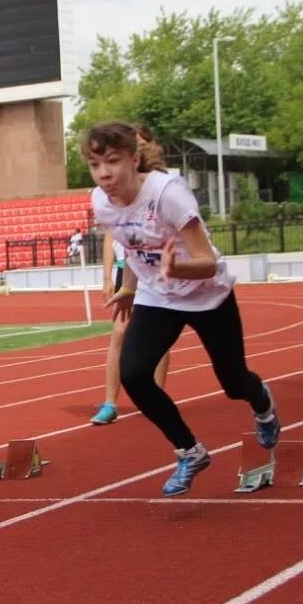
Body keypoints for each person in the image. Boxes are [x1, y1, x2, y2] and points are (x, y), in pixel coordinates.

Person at [84, 121, 279, 496]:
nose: (105, 173)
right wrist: (128, 287)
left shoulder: (168, 195)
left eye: (112, 161)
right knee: (134, 373)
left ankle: (263, 404)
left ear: (134, 159)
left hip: (207, 293)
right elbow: (133, 247)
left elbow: (208, 261)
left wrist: (178, 267)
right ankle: (190, 450)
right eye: (95, 165)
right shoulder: (100, 203)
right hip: (159, 297)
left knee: (233, 382)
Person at [91, 125, 170, 425]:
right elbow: (111, 235)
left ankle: (157, 398)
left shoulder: (162, 184)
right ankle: (110, 402)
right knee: (120, 334)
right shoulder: (112, 191)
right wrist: (107, 276)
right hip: (129, 269)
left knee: (160, 337)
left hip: (157, 268)